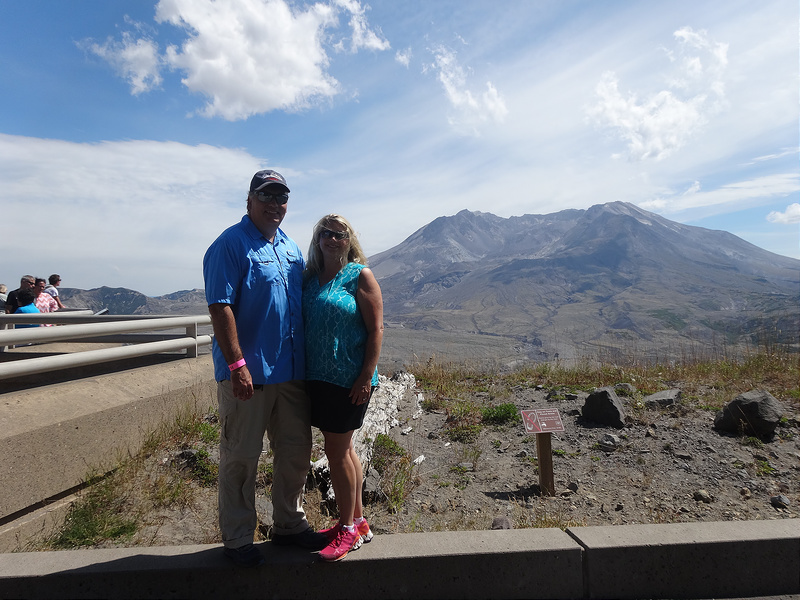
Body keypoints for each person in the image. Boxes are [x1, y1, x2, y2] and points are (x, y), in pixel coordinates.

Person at [203, 169, 327, 568]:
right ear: (250, 201)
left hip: (290, 373)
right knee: (241, 455)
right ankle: (239, 537)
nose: (275, 205)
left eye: (282, 198)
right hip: (249, 374)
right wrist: (237, 364)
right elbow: (220, 306)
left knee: (295, 451)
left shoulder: (289, 247)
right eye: (267, 196)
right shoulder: (230, 245)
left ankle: (289, 525)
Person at [302, 214, 384, 562]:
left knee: (336, 452)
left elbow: (377, 329)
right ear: (318, 238)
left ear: (349, 241)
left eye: (340, 234)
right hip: (319, 378)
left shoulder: (359, 275)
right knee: (345, 449)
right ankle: (359, 522)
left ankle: (346, 527)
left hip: (350, 380)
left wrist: (365, 376)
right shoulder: (310, 281)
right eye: (326, 233)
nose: (333, 238)